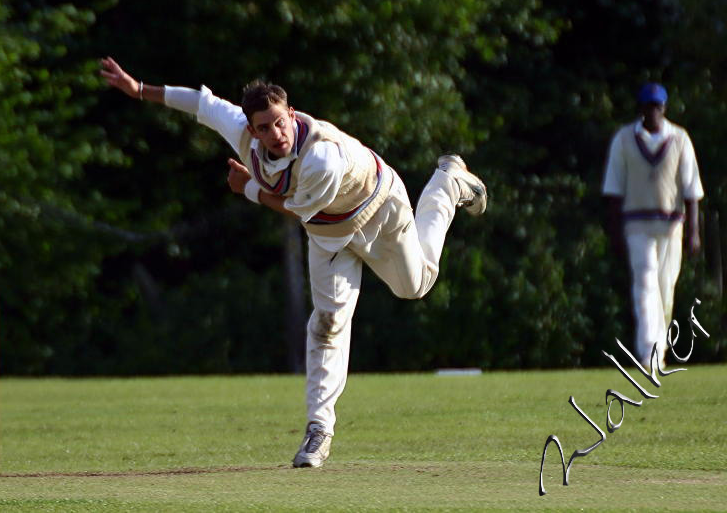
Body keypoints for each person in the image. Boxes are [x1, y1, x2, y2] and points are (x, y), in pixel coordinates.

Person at [100, 57, 487, 468]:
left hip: (378, 210)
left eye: (280, 122)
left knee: (416, 286)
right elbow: (201, 103)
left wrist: (247, 189)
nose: (275, 134)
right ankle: (319, 431)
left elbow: (297, 210)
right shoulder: (246, 135)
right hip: (329, 237)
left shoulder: (321, 157)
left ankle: (446, 183)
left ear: (291, 112)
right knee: (327, 323)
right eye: (264, 127)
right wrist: (140, 89)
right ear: (251, 128)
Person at [602, 83, 704, 369]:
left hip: (672, 226)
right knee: (645, 285)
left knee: (665, 289)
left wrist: (693, 232)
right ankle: (650, 356)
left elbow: (691, 190)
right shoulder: (624, 139)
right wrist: (615, 232)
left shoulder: (680, 139)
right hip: (637, 225)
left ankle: (659, 350)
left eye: (657, 107)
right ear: (641, 109)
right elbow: (613, 190)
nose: (653, 112)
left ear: (664, 108)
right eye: (648, 107)